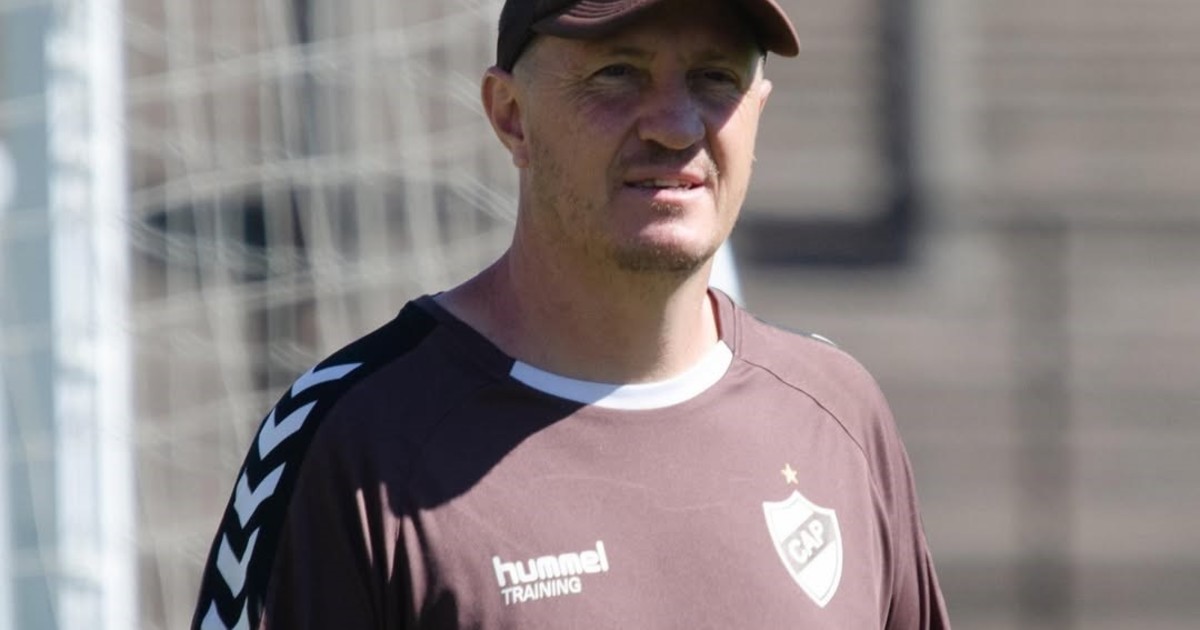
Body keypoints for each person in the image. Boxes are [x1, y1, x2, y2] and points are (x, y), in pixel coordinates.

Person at [193, 0, 950, 627]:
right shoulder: (352, 440)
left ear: (757, 111)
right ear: (511, 116)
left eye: (714, 77)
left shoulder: (839, 415)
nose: (676, 126)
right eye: (617, 73)